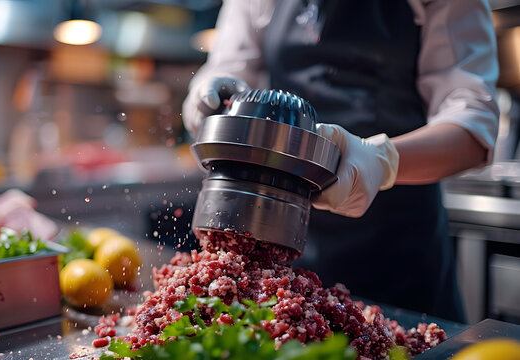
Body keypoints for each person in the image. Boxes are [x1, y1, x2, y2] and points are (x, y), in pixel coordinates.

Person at [182, 0, 499, 322]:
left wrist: (382, 161)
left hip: (397, 250)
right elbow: (232, 66)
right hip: (277, 236)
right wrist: (212, 89)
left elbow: (474, 127)